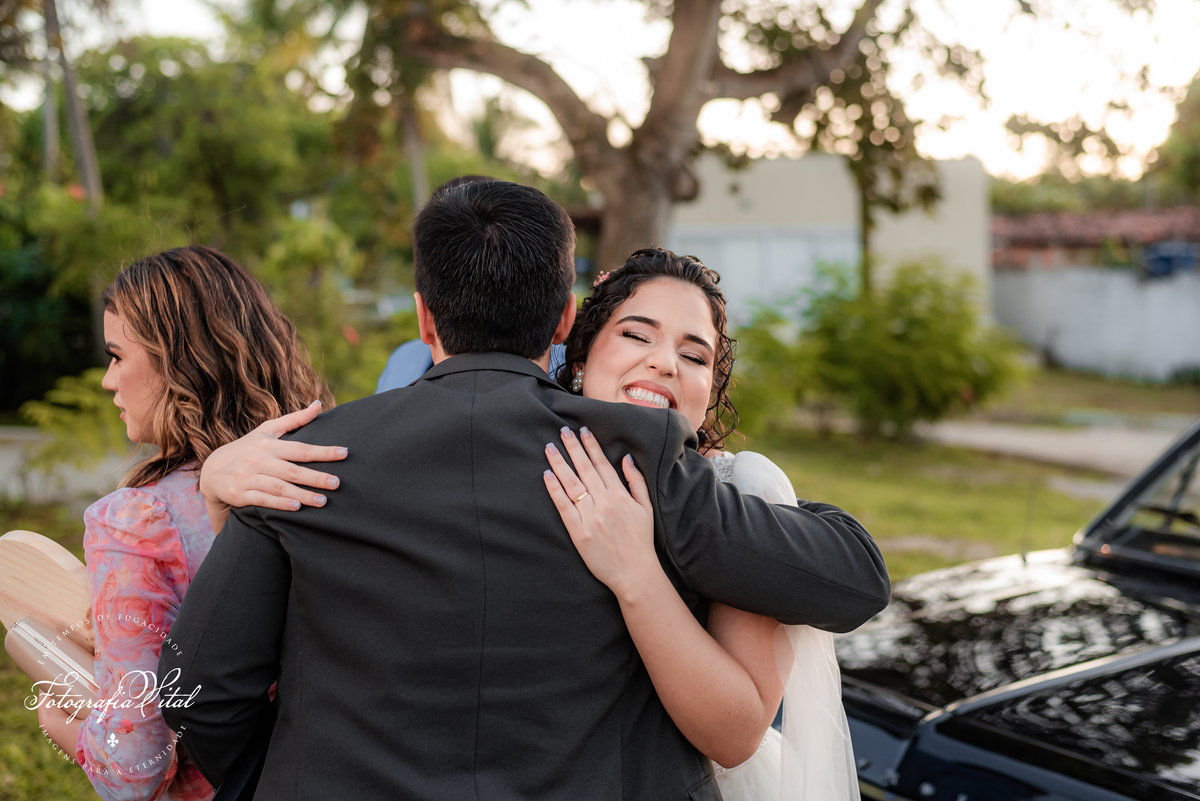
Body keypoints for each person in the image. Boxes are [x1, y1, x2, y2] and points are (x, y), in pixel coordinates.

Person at [161, 180, 889, 800]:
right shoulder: (634, 461)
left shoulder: (297, 462)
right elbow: (855, 578)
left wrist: (284, 777)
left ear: (424, 316)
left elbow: (197, 684)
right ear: (567, 320)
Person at [541, 248, 858, 799]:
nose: (665, 363)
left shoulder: (737, 493)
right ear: (581, 356)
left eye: (694, 355)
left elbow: (736, 734)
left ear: (710, 391)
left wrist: (636, 571)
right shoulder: (523, 454)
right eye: (637, 336)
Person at [33, 245, 332, 801]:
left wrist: (61, 727)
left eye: (117, 356)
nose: (107, 380)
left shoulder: (136, 523)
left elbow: (136, 770)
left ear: (176, 363)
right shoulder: (326, 471)